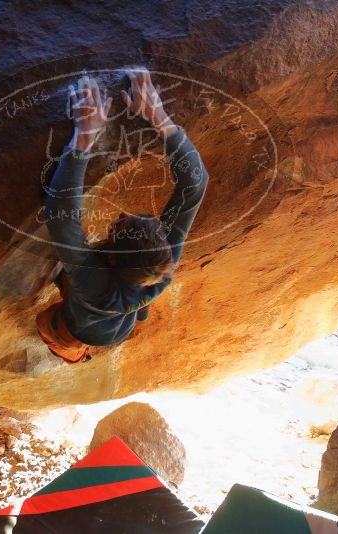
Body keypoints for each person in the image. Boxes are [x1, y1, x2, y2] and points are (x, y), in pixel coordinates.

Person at [36, 68, 209, 362]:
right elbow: (195, 184)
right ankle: (137, 313)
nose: (123, 215)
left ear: (110, 259)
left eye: (120, 226)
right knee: (138, 300)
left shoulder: (95, 286)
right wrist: (159, 118)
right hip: (128, 312)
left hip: (84, 326)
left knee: (47, 326)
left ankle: (73, 349)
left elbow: (61, 219)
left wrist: (83, 139)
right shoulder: (161, 268)